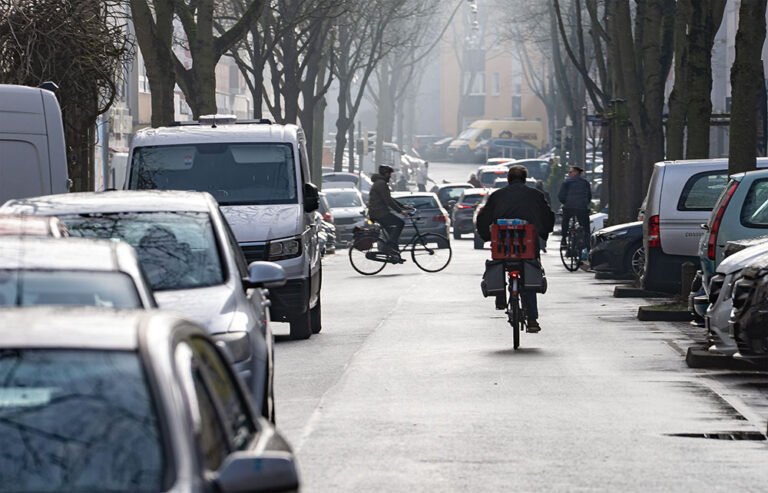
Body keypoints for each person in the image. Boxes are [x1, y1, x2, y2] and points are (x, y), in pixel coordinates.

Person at [477, 165, 555, 331]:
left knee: (498, 265)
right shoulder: (535, 195)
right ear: (525, 179)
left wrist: (487, 236)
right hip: (527, 245)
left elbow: (483, 217)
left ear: (508, 179)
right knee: (530, 274)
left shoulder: (497, 196)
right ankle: (532, 319)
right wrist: (543, 234)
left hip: (503, 247)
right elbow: (548, 216)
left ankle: (500, 298)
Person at [368, 165, 414, 261]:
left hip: (378, 212)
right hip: (379, 212)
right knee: (400, 223)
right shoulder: (381, 184)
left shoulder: (379, 183)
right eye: (389, 174)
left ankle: (395, 255)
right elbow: (388, 201)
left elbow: (389, 198)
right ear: (386, 174)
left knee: (392, 234)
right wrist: (401, 211)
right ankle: (387, 247)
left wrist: (402, 206)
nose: (390, 177)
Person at [557, 166, 592, 249]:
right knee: (585, 225)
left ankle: (564, 239)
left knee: (565, 221)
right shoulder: (585, 183)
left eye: (570, 172)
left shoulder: (566, 182)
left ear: (575, 172)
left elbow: (561, 196)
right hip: (582, 208)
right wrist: (585, 204)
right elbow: (589, 196)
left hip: (569, 207)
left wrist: (565, 203)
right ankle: (587, 244)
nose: (569, 174)